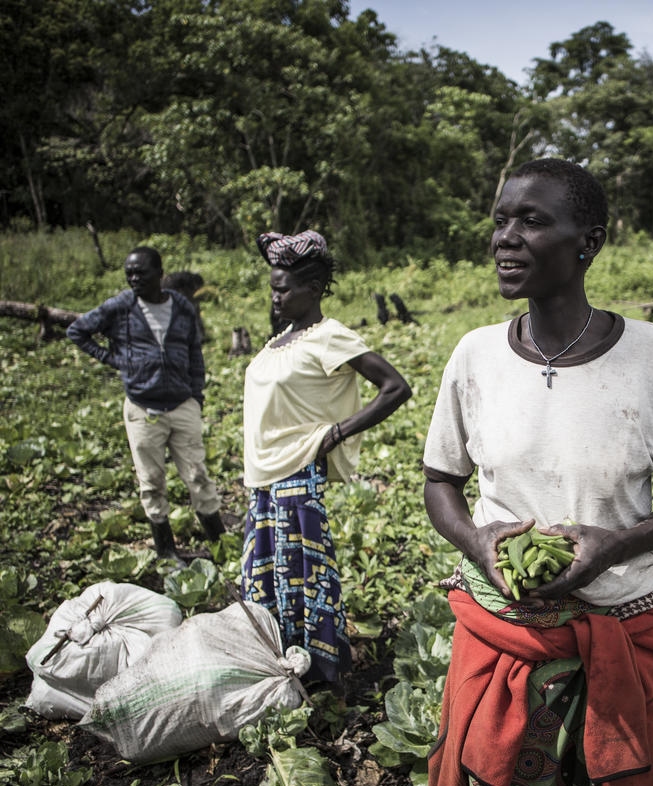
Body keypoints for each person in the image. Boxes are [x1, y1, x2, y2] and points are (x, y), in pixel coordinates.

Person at [422, 158, 653, 786]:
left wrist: (617, 544)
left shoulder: (650, 354)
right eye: (501, 220)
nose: (506, 236)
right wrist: (479, 542)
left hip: (618, 624)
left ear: (589, 242)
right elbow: (440, 480)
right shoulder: (476, 354)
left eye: (531, 220)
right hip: (506, 632)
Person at [240, 230, 411, 687]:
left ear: (313, 290)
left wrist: (335, 433)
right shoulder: (281, 339)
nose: (274, 297)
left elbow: (395, 387)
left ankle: (319, 669)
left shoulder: (329, 335)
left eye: (283, 289)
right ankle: (278, 660)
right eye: (273, 288)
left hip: (297, 471)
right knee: (268, 574)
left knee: (302, 575)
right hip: (263, 480)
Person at [67, 246, 224, 563]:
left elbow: (195, 352)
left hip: (182, 404)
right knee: (151, 482)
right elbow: (78, 331)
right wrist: (116, 359)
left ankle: (222, 545)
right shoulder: (121, 306)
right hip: (142, 407)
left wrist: (197, 396)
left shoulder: (181, 307)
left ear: (160, 274)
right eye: (129, 273)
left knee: (197, 475)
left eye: (141, 272)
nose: (134, 278)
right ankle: (166, 551)